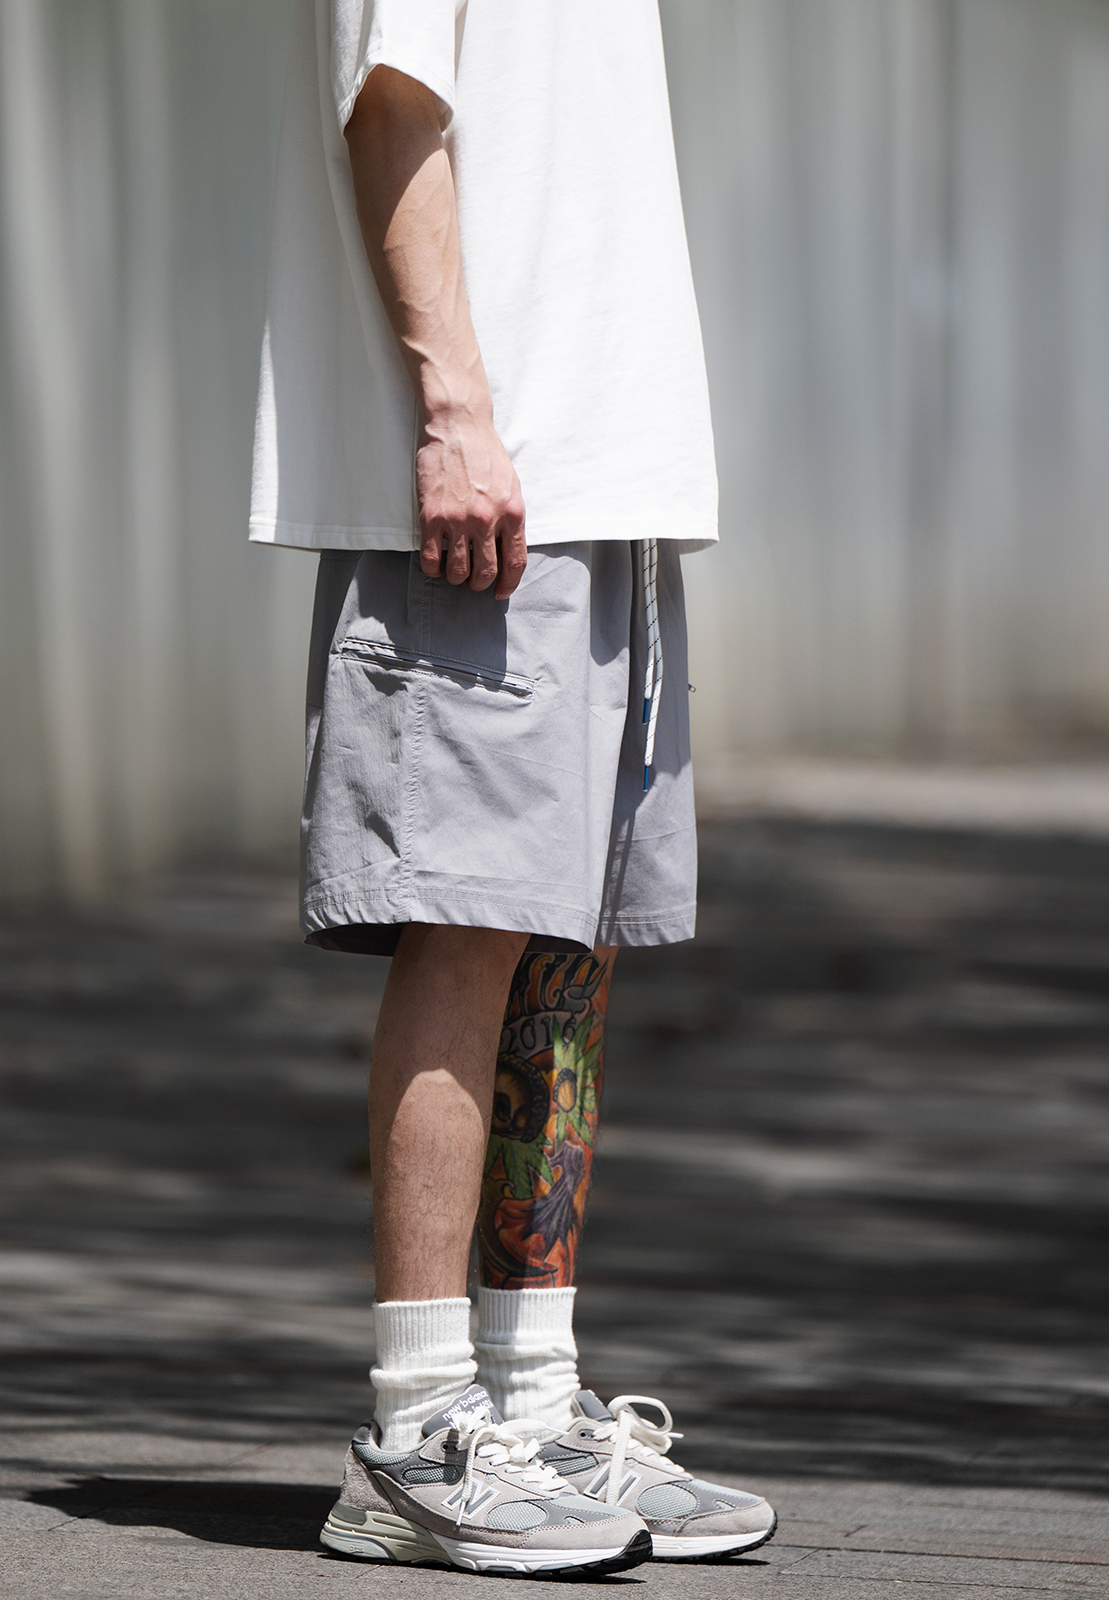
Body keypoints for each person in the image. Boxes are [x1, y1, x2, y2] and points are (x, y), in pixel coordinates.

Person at [249, 0, 776, 1576]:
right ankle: (417, 1430)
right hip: (490, 485)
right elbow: (390, 109)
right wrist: (456, 416)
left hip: (599, 482)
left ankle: (529, 1405)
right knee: (468, 920)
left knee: (566, 935)